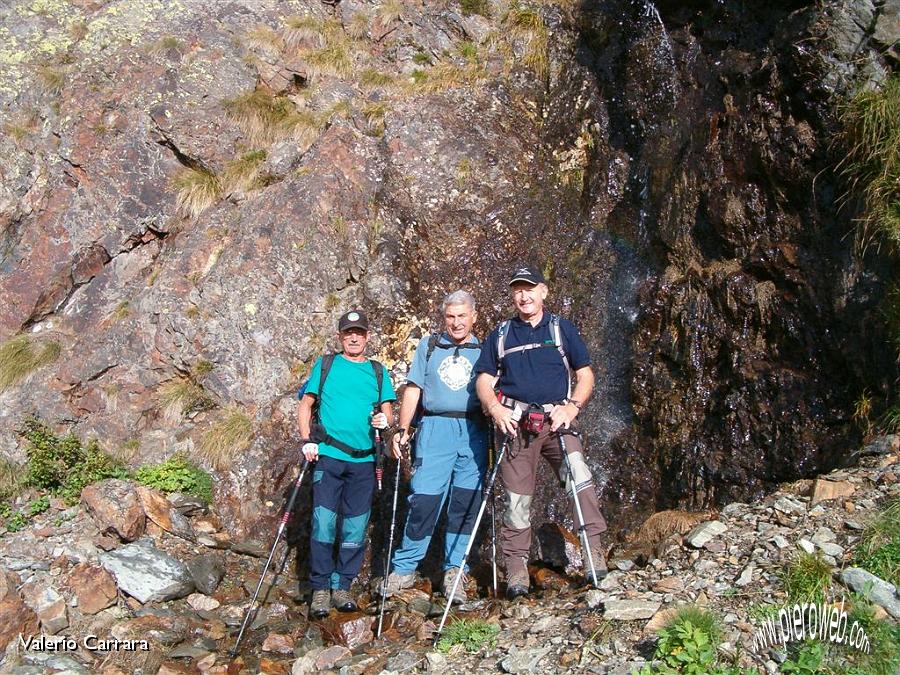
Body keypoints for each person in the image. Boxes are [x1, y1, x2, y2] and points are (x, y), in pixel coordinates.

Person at [474, 266, 608, 599]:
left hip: (558, 422)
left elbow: (586, 374)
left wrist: (573, 406)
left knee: (580, 478)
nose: (524, 295)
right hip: (515, 426)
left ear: (543, 291)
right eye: (518, 290)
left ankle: (594, 551)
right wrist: (495, 408)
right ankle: (517, 566)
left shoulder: (562, 329)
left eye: (529, 288)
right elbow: (483, 380)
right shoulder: (501, 335)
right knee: (517, 500)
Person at [381, 290, 488, 603]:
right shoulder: (428, 347)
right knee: (424, 500)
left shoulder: (485, 350)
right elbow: (414, 390)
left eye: (462, 316)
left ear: (474, 317)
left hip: (473, 431)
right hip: (434, 429)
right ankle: (404, 568)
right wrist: (403, 429)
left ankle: (455, 569)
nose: (456, 323)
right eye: (450, 317)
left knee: (465, 503)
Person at [298, 309, 396, 619]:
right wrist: (306, 440)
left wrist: (385, 420)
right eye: (348, 332)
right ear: (340, 336)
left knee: (355, 526)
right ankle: (321, 589)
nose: (354, 337)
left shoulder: (379, 372)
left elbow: (389, 413)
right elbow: (306, 405)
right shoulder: (326, 365)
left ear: (367, 336)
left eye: (360, 332)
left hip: (365, 461)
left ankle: (343, 587)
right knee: (323, 523)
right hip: (329, 455)